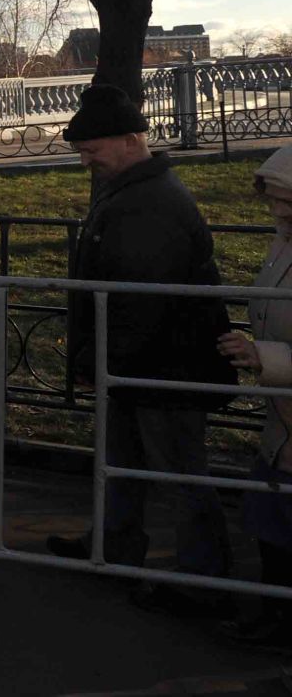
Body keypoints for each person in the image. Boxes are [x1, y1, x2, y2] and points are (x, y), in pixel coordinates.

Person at [47, 84, 237, 615]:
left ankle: (204, 580)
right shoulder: (135, 189)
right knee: (124, 462)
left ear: (132, 140)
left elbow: (138, 303)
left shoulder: (147, 203)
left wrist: (99, 361)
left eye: (92, 149)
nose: (85, 160)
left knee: (175, 472)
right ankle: (113, 549)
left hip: (163, 366)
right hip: (143, 362)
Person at [215, 144, 292, 646]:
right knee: (271, 523)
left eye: (284, 204)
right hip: (282, 420)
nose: (276, 214)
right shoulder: (283, 240)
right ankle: (274, 618)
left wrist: (264, 355)